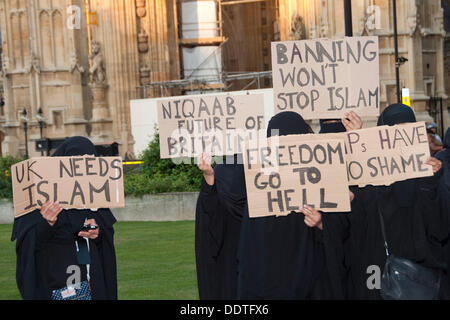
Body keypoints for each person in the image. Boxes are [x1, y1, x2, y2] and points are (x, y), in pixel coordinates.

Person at [235, 111, 350, 299]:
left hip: (308, 283)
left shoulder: (322, 175)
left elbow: (342, 227)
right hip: (274, 285)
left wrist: (322, 222)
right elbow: (250, 248)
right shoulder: (259, 183)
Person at [344, 104, 447, 299]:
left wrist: (431, 182)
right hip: (378, 273)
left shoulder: (428, 174)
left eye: (406, 130)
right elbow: (357, 223)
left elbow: (440, 228)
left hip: (422, 276)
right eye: (394, 132)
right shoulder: (371, 176)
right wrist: (358, 140)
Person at [11, 136, 118, 300]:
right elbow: (28, 246)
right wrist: (47, 223)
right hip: (56, 286)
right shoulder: (39, 198)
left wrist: (98, 232)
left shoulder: (94, 197)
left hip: (92, 285)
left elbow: (105, 236)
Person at [195, 153, 247, 299]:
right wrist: (209, 176)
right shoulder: (262, 173)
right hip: (241, 249)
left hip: (228, 256)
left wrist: (209, 177)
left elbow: (208, 215)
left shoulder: (221, 173)